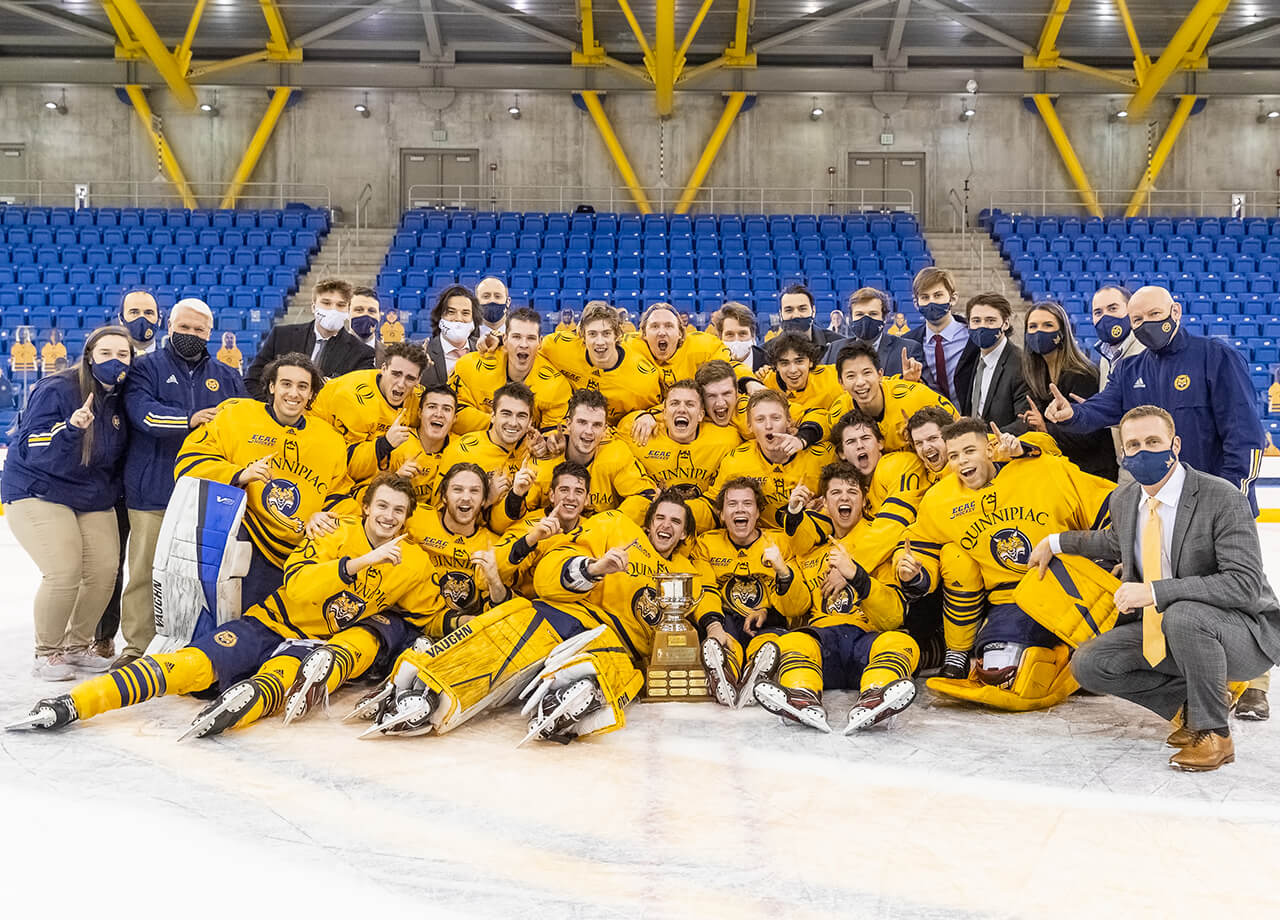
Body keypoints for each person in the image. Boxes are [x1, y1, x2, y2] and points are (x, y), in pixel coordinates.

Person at [9, 474, 434, 738]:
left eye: (399, 510)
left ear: (407, 516)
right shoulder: (331, 531)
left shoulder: (412, 561)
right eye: (382, 505)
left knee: (276, 681)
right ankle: (76, 703)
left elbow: (427, 614)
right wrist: (360, 563)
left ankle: (237, 710)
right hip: (270, 623)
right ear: (366, 507)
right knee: (192, 664)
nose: (389, 516)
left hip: (316, 645)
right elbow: (301, 588)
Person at [1031, 406, 1280, 772]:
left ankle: (1215, 736)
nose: (1144, 451)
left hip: (1242, 634)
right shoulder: (1125, 499)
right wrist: (1055, 542)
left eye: (1153, 441)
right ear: (1124, 454)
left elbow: (1242, 585)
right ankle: (1191, 707)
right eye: (1134, 445)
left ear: (1175, 445)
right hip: (1168, 632)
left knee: (1182, 613)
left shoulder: (1221, 498)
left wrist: (1156, 592)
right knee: (1090, 663)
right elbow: (1113, 542)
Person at [356, 491, 712, 743]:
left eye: (676, 522)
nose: (667, 525)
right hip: (570, 612)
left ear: (685, 533)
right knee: (512, 630)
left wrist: (714, 631)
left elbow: (702, 611)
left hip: (619, 642)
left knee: (612, 666)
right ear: (648, 524)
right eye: (661, 517)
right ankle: (426, 686)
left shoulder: (689, 571)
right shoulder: (617, 527)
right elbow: (550, 570)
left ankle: (572, 700)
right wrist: (593, 568)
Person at [894, 417, 1114, 709]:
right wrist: (911, 570)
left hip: (1065, 585)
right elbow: (917, 544)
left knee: (1094, 665)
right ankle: (1058, 657)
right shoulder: (940, 499)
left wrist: (1109, 557)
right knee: (998, 666)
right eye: (954, 456)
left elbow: (1108, 502)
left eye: (969, 451)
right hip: (1011, 599)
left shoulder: (1043, 468)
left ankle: (1077, 658)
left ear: (990, 448)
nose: (961, 462)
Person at [1045, 285, 1266, 513]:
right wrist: (1072, 414)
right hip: (1161, 506)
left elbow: (1245, 436)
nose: (1146, 323)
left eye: (1155, 314)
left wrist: (1229, 497)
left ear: (1176, 311)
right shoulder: (1129, 370)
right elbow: (1101, 407)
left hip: (1217, 505)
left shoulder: (1216, 356)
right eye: (1137, 319)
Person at [119, 298, 247, 666]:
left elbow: (240, 429)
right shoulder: (145, 369)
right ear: (169, 327)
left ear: (210, 333)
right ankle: (136, 646)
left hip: (209, 497)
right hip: (153, 490)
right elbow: (144, 416)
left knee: (204, 576)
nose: (191, 335)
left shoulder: (227, 377)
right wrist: (191, 419)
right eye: (184, 328)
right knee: (145, 572)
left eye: (199, 330)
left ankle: (199, 642)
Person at [2, 326, 134, 679]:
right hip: (39, 488)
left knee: (105, 570)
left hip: (90, 495)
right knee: (64, 571)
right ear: (90, 355)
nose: (114, 361)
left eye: (123, 355)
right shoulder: (58, 388)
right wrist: (71, 427)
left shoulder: (122, 398)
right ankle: (47, 651)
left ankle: (78, 646)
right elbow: (32, 444)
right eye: (106, 353)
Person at [175, 352, 352, 611]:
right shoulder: (237, 414)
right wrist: (238, 474)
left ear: (312, 394)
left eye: (303, 386)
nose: (294, 393)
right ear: (271, 386)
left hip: (300, 551)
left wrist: (325, 516)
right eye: (286, 384)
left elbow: (341, 495)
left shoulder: (331, 439)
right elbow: (188, 462)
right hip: (247, 538)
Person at [753, 461, 920, 733]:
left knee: (900, 640)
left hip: (866, 639)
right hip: (825, 645)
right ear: (824, 503)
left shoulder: (881, 546)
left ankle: (877, 695)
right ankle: (801, 695)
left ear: (864, 500)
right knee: (792, 640)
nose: (844, 497)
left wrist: (856, 575)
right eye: (836, 493)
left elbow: (893, 616)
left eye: (852, 492)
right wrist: (784, 573)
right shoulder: (810, 549)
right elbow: (796, 606)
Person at [694, 477, 807, 707]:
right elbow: (705, 589)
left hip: (767, 622)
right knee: (726, 640)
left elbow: (798, 605)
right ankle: (727, 672)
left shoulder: (780, 542)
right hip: (726, 621)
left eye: (747, 504)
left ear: (757, 512)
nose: (740, 509)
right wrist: (713, 626)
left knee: (769, 640)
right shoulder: (706, 544)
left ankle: (758, 670)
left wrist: (782, 574)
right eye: (732, 504)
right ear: (722, 514)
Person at [507, 388, 656, 527]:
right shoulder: (543, 462)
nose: (589, 431)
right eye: (582, 422)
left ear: (605, 429)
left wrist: (602, 526)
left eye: (596, 425)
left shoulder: (615, 454)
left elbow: (645, 495)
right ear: (568, 424)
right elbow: (514, 518)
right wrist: (516, 495)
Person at [619, 378, 741, 532]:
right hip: (654, 526)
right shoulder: (640, 434)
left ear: (701, 415)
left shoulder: (728, 439)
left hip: (700, 527)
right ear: (663, 412)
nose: (682, 409)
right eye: (674, 403)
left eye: (690, 404)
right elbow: (611, 430)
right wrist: (643, 415)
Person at [1013, 301, 1116, 479]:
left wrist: (1046, 427)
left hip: (1092, 473)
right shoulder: (1035, 374)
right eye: (1033, 326)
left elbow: (1090, 435)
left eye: (1048, 325)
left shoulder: (1083, 374)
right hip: (1060, 468)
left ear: (1062, 333)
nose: (1039, 332)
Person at [706, 389, 832, 527]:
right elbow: (715, 506)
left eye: (776, 418)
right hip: (761, 541)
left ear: (789, 420)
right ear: (749, 425)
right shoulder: (735, 462)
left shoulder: (822, 456)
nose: (768, 426)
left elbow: (826, 419)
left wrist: (824, 506)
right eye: (760, 419)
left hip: (808, 539)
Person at [309, 342, 429, 482]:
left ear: (418, 380)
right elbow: (349, 466)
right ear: (383, 369)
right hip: (317, 452)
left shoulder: (419, 397)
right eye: (396, 374)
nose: (401, 384)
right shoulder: (352, 398)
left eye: (410, 378)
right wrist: (385, 443)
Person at [450, 306, 571, 443]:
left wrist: (546, 444)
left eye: (531, 338)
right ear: (505, 340)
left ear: (540, 342)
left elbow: (552, 434)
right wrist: (500, 426)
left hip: (525, 455)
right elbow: (453, 412)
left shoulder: (556, 386)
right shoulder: (470, 366)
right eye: (516, 337)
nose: (523, 344)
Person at [539, 301, 662, 425]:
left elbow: (660, 408)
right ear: (582, 335)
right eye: (592, 334)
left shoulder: (643, 381)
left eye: (606, 334)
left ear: (617, 335)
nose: (600, 342)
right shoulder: (557, 346)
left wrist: (649, 416)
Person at [245, 279, 374, 397]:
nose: (333, 310)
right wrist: (275, 409)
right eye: (326, 303)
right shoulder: (281, 335)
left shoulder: (362, 354)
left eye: (340, 305)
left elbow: (357, 398)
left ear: (348, 311)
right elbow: (252, 380)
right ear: (313, 307)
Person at [821, 341, 956, 452]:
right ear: (841, 383)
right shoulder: (838, 414)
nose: (860, 382)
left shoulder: (916, 396)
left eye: (867, 373)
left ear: (880, 374)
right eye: (851, 376)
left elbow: (959, 428)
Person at [901, 267, 977, 402]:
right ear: (916, 303)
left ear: (953, 298)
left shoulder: (974, 337)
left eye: (938, 295)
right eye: (925, 297)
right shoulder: (906, 343)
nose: (932, 302)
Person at [820, 287, 924, 378]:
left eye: (873, 314)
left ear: (884, 318)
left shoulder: (908, 349)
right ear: (851, 318)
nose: (866, 319)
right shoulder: (833, 350)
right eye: (859, 314)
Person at [963, 292, 1028, 425]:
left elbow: (1024, 422)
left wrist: (989, 439)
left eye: (990, 320)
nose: (982, 326)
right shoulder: (971, 358)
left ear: (1005, 323)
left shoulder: (1022, 364)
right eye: (976, 321)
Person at [761, 332, 844, 423]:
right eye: (784, 363)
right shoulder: (764, 385)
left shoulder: (834, 377)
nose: (793, 370)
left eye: (799, 361)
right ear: (776, 366)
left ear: (811, 361)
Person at [421, 284, 479, 387]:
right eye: (451, 312)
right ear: (440, 317)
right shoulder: (423, 351)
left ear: (474, 320)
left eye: (465, 313)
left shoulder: (485, 352)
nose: (458, 318)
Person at [776, 283, 840, 350]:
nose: (796, 315)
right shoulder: (767, 351)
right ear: (780, 314)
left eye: (802, 309)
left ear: (813, 311)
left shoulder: (838, 345)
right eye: (789, 310)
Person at [713, 301, 768, 372]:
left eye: (743, 333)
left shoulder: (769, 362)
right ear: (720, 337)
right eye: (730, 334)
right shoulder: (713, 364)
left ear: (753, 335)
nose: (737, 340)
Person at [119, 289, 162, 355]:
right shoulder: (107, 362)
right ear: (121, 319)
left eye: (148, 313)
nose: (142, 317)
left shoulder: (171, 363)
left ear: (159, 320)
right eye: (134, 312)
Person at [348, 286, 383, 362]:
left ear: (379, 316)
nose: (365, 315)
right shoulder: (329, 351)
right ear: (347, 313)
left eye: (372, 311)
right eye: (359, 310)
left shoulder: (390, 355)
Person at [474, 276, 510, 344]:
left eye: (497, 296)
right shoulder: (467, 335)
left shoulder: (520, 332)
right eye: (486, 296)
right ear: (476, 302)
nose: (492, 300)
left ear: (508, 302)